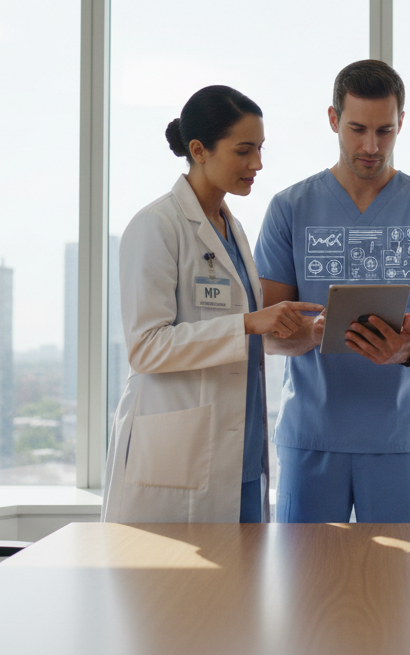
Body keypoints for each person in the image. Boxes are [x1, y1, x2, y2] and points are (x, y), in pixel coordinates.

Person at [254, 60, 410, 523]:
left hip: (399, 440)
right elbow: (268, 335)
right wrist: (314, 334)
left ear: (401, 124)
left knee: (401, 587)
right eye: (357, 129)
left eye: (385, 130)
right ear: (333, 119)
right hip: (311, 439)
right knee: (309, 586)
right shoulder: (289, 209)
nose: (371, 146)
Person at [101, 85, 323, 524]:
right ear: (199, 150)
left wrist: (307, 332)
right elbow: (145, 347)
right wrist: (247, 324)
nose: (257, 164)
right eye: (243, 151)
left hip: (236, 450)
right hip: (180, 457)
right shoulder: (157, 225)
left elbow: (246, 340)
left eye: (259, 149)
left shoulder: (232, 228)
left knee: (239, 588)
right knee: (174, 590)